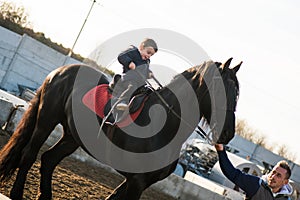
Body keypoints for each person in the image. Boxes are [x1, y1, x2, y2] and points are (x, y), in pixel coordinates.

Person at [214, 144, 293, 200]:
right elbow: (232, 173)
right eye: (273, 172)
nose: (273, 177)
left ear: (285, 182)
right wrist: (221, 151)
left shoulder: (285, 199)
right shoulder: (257, 185)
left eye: (278, 175)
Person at [113, 38, 158, 111]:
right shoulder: (133, 51)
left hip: (140, 83)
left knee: (147, 91)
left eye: (151, 55)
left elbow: (144, 71)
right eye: (148, 52)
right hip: (129, 79)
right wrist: (129, 62)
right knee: (132, 87)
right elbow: (121, 56)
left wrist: (149, 73)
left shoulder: (147, 61)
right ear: (141, 47)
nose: (149, 56)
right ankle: (121, 101)